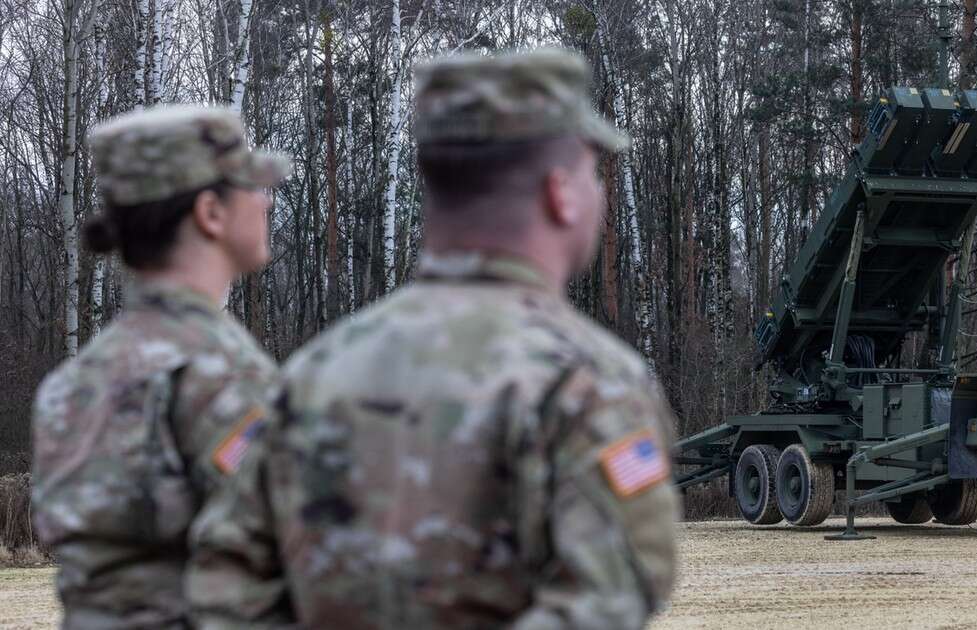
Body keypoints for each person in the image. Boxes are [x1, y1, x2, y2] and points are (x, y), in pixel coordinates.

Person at [187, 47, 680, 629]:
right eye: (591, 173)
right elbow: (606, 599)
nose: (598, 193)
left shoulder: (313, 371)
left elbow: (224, 585)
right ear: (561, 193)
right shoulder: (586, 381)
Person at [32, 105, 290, 629]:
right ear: (210, 213)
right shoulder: (220, 374)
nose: (265, 199)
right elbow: (282, 550)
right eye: (250, 185)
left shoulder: (72, 382)